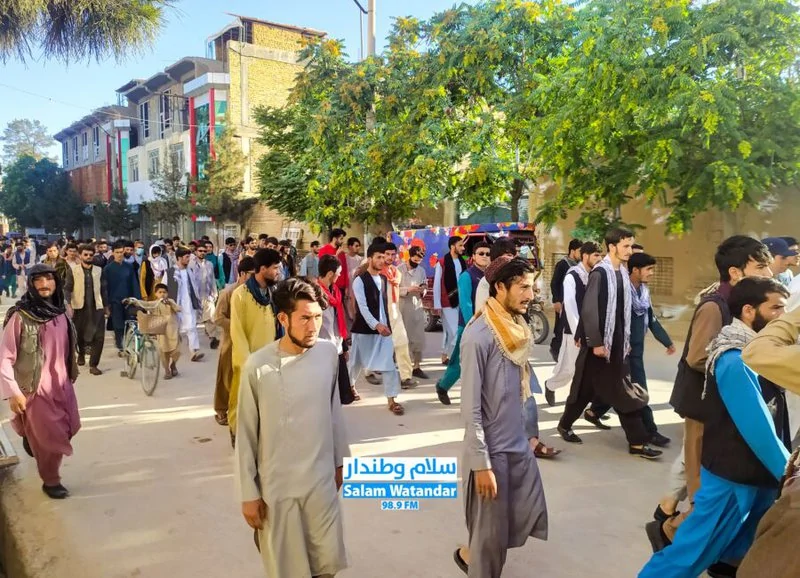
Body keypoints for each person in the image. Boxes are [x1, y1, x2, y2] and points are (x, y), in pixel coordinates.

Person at [640, 277, 791, 578]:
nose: (783, 316)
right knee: (688, 555)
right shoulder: (736, 358)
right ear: (749, 311)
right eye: (776, 308)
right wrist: (788, 472)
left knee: (740, 552)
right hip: (733, 477)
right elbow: (757, 427)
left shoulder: (759, 351)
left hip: (756, 475)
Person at [656, 236, 773, 543]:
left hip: (720, 407)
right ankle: (670, 532)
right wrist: (740, 361)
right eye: (760, 267)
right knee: (703, 489)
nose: (768, 273)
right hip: (703, 407)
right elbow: (698, 357)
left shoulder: (736, 303)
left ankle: (676, 525)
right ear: (735, 272)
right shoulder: (715, 306)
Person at [235, 278, 350, 578]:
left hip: (321, 481)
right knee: (288, 567)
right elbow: (246, 434)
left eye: (318, 317)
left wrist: (341, 462)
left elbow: (334, 411)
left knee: (326, 562)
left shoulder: (328, 354)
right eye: (305, 318)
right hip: (279, 489)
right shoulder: (258, 366)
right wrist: (249, 492)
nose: (313, 327)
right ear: (283, 319)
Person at [457, 256, 548, 577]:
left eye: (531, 287)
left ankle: (470, 554)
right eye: (522, 287)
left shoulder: (516, 328)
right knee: (490, 542)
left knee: (513, 522)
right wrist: (481, 464)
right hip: (492, 453)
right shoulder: (479, 336)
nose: (530, 295)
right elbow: (470, 408)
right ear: (499, 287)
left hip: (517, 446)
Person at [556, 228, 662, 459]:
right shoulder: (600, 273)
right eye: (625, 246)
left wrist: (625, 341)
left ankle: (637, 442)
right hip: (598, 346)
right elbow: (590, 309)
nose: (630, 251)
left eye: (631, 246)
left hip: (616, 345)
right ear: (612, 247)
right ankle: (565, 425)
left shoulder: (622, 273)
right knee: (583, 391)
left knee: (621, 391)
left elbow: (622, 312)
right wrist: (595, 343)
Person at [0, 264, 80, 499]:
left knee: (69, 428)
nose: (44, 284)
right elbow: (5, 357)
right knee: (50, 440)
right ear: (31, 284)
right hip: (36, 388)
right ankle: (51, 481)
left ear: (56, 282)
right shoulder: (21, 316)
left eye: (49, 279)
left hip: (63, 384)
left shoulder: (62, 312)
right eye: (38, 280)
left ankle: (31, 437)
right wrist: (13, 392)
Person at [588, 253, 676, 447]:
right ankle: (650, 431)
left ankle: (594, 411)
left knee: (619, 387)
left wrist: (666, 341)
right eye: (648, 269)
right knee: (638, 390)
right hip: (623, 350)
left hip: (637, 349)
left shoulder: (643, 292)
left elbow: (651, 318)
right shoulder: (622, 291)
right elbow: (609, 318)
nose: (652, 273)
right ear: (635, 270)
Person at [228, 249, 282, 446]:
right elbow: (237, 331)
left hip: (269, 357)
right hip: (247, 360)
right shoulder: (240, 295)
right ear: (263, 269)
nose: (278, 272)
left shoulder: (271, 293)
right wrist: (247, 361)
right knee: (241, 399)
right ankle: (236, 431)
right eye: (275, 268)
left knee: (265, 401)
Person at [544, 242, 602, 406]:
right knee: (569, 369)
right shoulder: (572, 276)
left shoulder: (595, 275)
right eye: (596, 255)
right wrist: (579, 333)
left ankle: (594, 406)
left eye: (600, 255)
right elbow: (570, 306)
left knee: (593, 369)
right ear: (585, 256)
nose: (599, 259)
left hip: (592, 331)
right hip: (574, 332)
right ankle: (550, 385)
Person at [349, 242, 405, 416]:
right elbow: (362, 308)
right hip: (364, 329)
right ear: (370, 258)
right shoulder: (359, 280)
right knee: (356, 362)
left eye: (384, 257)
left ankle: (391, 399)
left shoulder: (383, 279)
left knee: (389, 364)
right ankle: (350, 386)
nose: (382, 260)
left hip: (383, 330)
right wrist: (376, 325)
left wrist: (384, 324)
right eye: (379, 257)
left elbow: (382, 304)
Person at [436, 242, 491, 405]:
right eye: (481, 253)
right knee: (459, 361)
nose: (485, 256)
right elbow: (466, 303)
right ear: (473, 256)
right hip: (469, 326)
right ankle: (443, 386)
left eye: (488, 254)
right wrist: (472, 325)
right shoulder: (467, 276)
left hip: (488, 324)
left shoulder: (491, 276)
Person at [212, 256, 255, 426]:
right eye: (251, 274)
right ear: (242, 274)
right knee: (225, 377)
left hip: (249, 341)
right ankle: (221, 410)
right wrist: (237, 326)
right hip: (230, 342)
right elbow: (218, 318)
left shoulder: (255, 292)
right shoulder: (228, 292)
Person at [317, 254, 357, 405]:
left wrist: (344, 346)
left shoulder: (335, 292)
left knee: (340, 390)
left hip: (337, 345)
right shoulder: (314, 294)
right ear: (330, 274)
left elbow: (338, 321)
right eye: (338, 273)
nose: (340, 276)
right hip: (321, 347)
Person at [64, 244, 105, 376]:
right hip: (79, 307)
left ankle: (94, 365)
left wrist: (107, 307)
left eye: (90, 255)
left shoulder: (99, 270)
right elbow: (67, 288)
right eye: (85, 255)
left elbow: (104, 289)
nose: (88, 257)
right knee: (79, 335)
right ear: (80, 255)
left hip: (97, 307)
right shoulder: (73, 270)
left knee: (99, 337)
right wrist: (68, 305)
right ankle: (81, 353)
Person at [382, 242, 418, 389]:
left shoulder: (396, 272)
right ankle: (368, 372)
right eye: (387, 254)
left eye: (393, 254)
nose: (390, 257)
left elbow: (399, 290)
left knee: (402, 342)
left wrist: (409, 289)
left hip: (395, 311)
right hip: (381, 312)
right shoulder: (377, 272)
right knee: (375, 345)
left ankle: (406, 377)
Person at [163, 247, 204, 363]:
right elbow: (163, 288)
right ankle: (172, 355)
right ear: (179, 258)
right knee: (175, 330)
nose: (188, 259)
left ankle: (194, 351)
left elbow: (194, 287)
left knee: (192, 327)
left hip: (188, 304)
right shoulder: (169, 272)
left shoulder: (189, 271)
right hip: (175, 305)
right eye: (186, 257)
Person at [101, 241, 141, 354]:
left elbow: (134, 283)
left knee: (129, 323)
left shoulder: (129, 267)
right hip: (114, 301)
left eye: (121, 252)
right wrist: (106, 304)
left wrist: (137, 300)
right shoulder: (107, 269)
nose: (119, 254)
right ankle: (120, 346)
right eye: (117, 252)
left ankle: (127, 343)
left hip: (128, 300)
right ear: (113, 253)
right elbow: (105, 287)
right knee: (118, 324)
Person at [433, 235, 467, 365]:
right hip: (447, 301)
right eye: (460, 245)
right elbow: (437, 284)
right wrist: (437, 304)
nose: (463, 248)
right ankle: (455, 358)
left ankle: (444, 355)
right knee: (456, 331)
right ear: (453, 246)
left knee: (448, 331)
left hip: (461, 299)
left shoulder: (462, 261)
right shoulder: (442, 263)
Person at [398, 246, 428, 379]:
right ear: (409, 256)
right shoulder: (399, 270)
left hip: (417, 307)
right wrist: (408, 289)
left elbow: (425, 285)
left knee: (418, 338)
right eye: (415, 259)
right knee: (403, 339)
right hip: (403, 307)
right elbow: (394, 290)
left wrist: (423, 290)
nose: (417, 262)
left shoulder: (421, 270)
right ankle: (403, 368)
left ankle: (417, 366)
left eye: (419, 260)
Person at [549, 239, 582, 362]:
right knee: (560, 328)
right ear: (572, 251)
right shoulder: (562, 264)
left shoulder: (579, 266)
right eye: (579, 251)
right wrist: (556, 300)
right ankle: (556, 351)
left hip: (573, 303)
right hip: (562, 302)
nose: (581, 254)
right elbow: (554, 283)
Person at [147, 284, 183, 380]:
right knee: (164, 353)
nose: (162, 294)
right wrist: (136, 302)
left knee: (177, 351)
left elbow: (179, 309)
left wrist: (170, 304)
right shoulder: (154, 304)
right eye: (160, 292)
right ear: (156, 294)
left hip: (173, 331)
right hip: (162, 333)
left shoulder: (171, 302)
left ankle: (173, 365)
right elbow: (146, 305)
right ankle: (167, 371)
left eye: (164, 292)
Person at [474, 238, 517, 313]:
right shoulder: (486, 281)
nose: (512, 259)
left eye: (513, 256)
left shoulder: (512, 277)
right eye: (509, 256)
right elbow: (482, 311)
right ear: (497, 258)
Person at [191, 243, 220, 349]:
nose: (202, 253)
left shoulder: (209, 264)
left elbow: (212, 279)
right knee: (193, 320)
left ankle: (213, 338)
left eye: (204, 251)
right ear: (196, 252)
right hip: (194, 297)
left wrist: (214, 293)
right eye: (200, 251)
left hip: (207, 295)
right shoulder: (191, 264)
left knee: (210, 318)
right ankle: (192, 344)